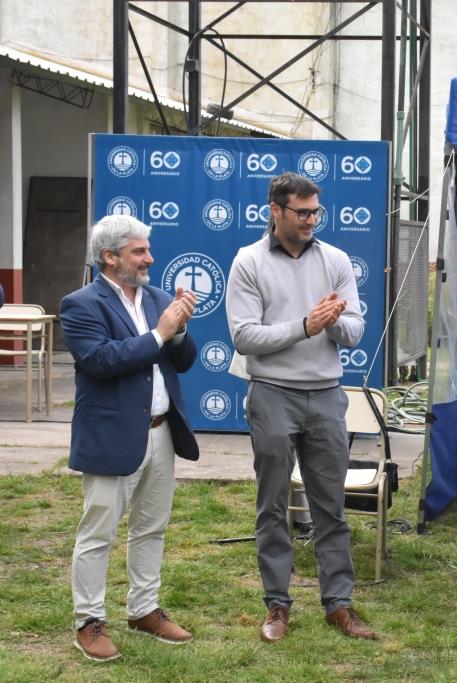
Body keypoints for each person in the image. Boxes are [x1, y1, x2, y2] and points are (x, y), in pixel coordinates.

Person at [225, 171, 374, 643]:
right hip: (271, 394)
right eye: (303, 212)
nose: (312, 220)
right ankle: (277, 605)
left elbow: (354, 329)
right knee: (272, 506)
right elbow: (245, 337)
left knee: (331, 507)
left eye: (316, 212)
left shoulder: (335, 259)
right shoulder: (248, 261)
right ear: (276, 211)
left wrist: (331, 323)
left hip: (327, 396)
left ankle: (340, 605)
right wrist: (305, 325)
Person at [60, 214, 199, 662]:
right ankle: (88, 621)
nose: (149, 258)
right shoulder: (81, 304)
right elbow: (100, 360)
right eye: (139, 251)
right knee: (98, 532)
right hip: (111, 436)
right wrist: (161, 331)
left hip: (161, 432)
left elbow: (184, 361)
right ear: (110, 256)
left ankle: (143, 609)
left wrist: (178, 331)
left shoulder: (158, 296)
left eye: (147, 250)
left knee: (151, 528)